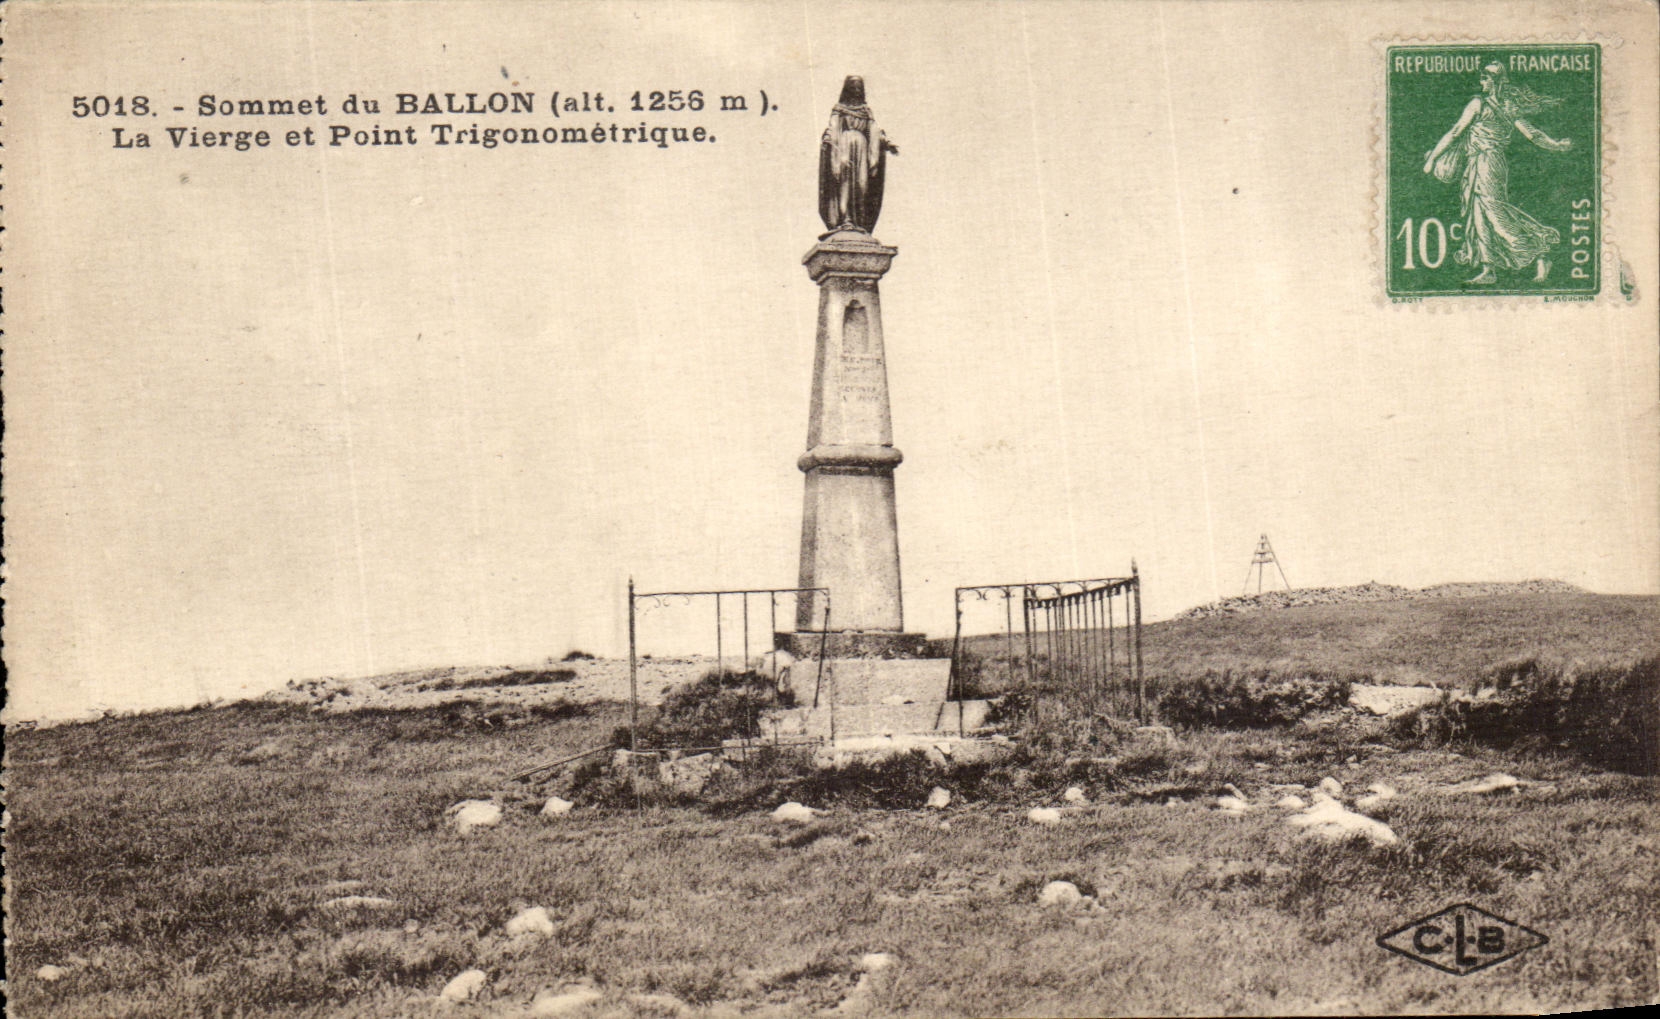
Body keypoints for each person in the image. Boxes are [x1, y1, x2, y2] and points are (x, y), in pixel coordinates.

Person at [1422, 62, 1573, 284]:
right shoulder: (1505, 105)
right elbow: (1534, 135)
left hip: (1488, 163)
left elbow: (1455, 132)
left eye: (1485, 78)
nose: (1481, 82)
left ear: (1495, 81)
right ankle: (1488, 269)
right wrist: (1556, 145)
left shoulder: (1481, 104)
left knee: (1494, 212)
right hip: (1478, 163)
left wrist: (1433, 158)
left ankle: (1540, 251)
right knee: (1479, 214)